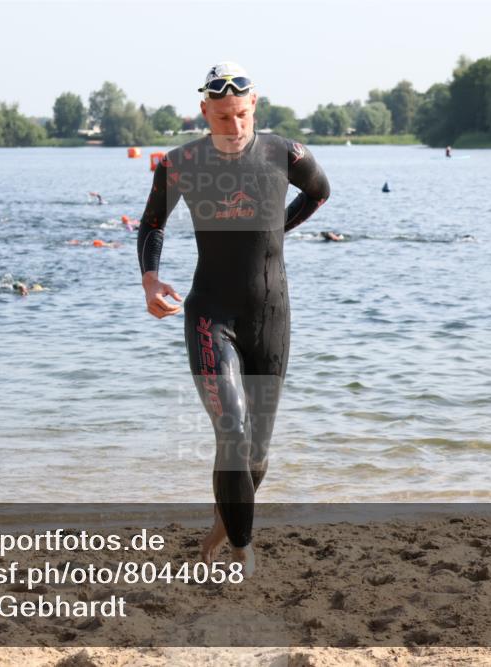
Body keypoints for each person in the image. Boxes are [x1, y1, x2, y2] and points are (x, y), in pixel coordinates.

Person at [137, 62, 330, 576]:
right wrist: (151, 280)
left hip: (271, 313)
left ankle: (223, 527)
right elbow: (152, 223)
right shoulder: (181, 163)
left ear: (254, 106)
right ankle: (243, 553)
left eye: (242, 114)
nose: (235, 126)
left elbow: (319, 193)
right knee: (233, 430)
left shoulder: (284, 153)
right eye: (223, 117)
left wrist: (279, 229)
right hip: (211, 314)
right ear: (204, 111)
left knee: (257, 454)